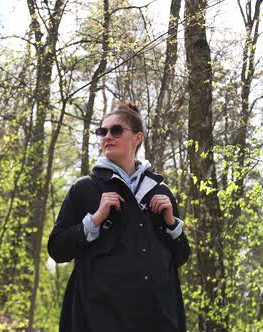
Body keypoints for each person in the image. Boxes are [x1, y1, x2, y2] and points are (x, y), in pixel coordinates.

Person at [47, 102, 190, 332]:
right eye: (102, 131)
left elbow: (181, 257)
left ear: (137, 137)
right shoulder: (85, 189)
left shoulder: (160, 191)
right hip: (100, 318)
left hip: (157, 317)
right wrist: (93, 221)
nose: (107, 137)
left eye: (116, 130)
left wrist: (172, 224)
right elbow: (57, 249)